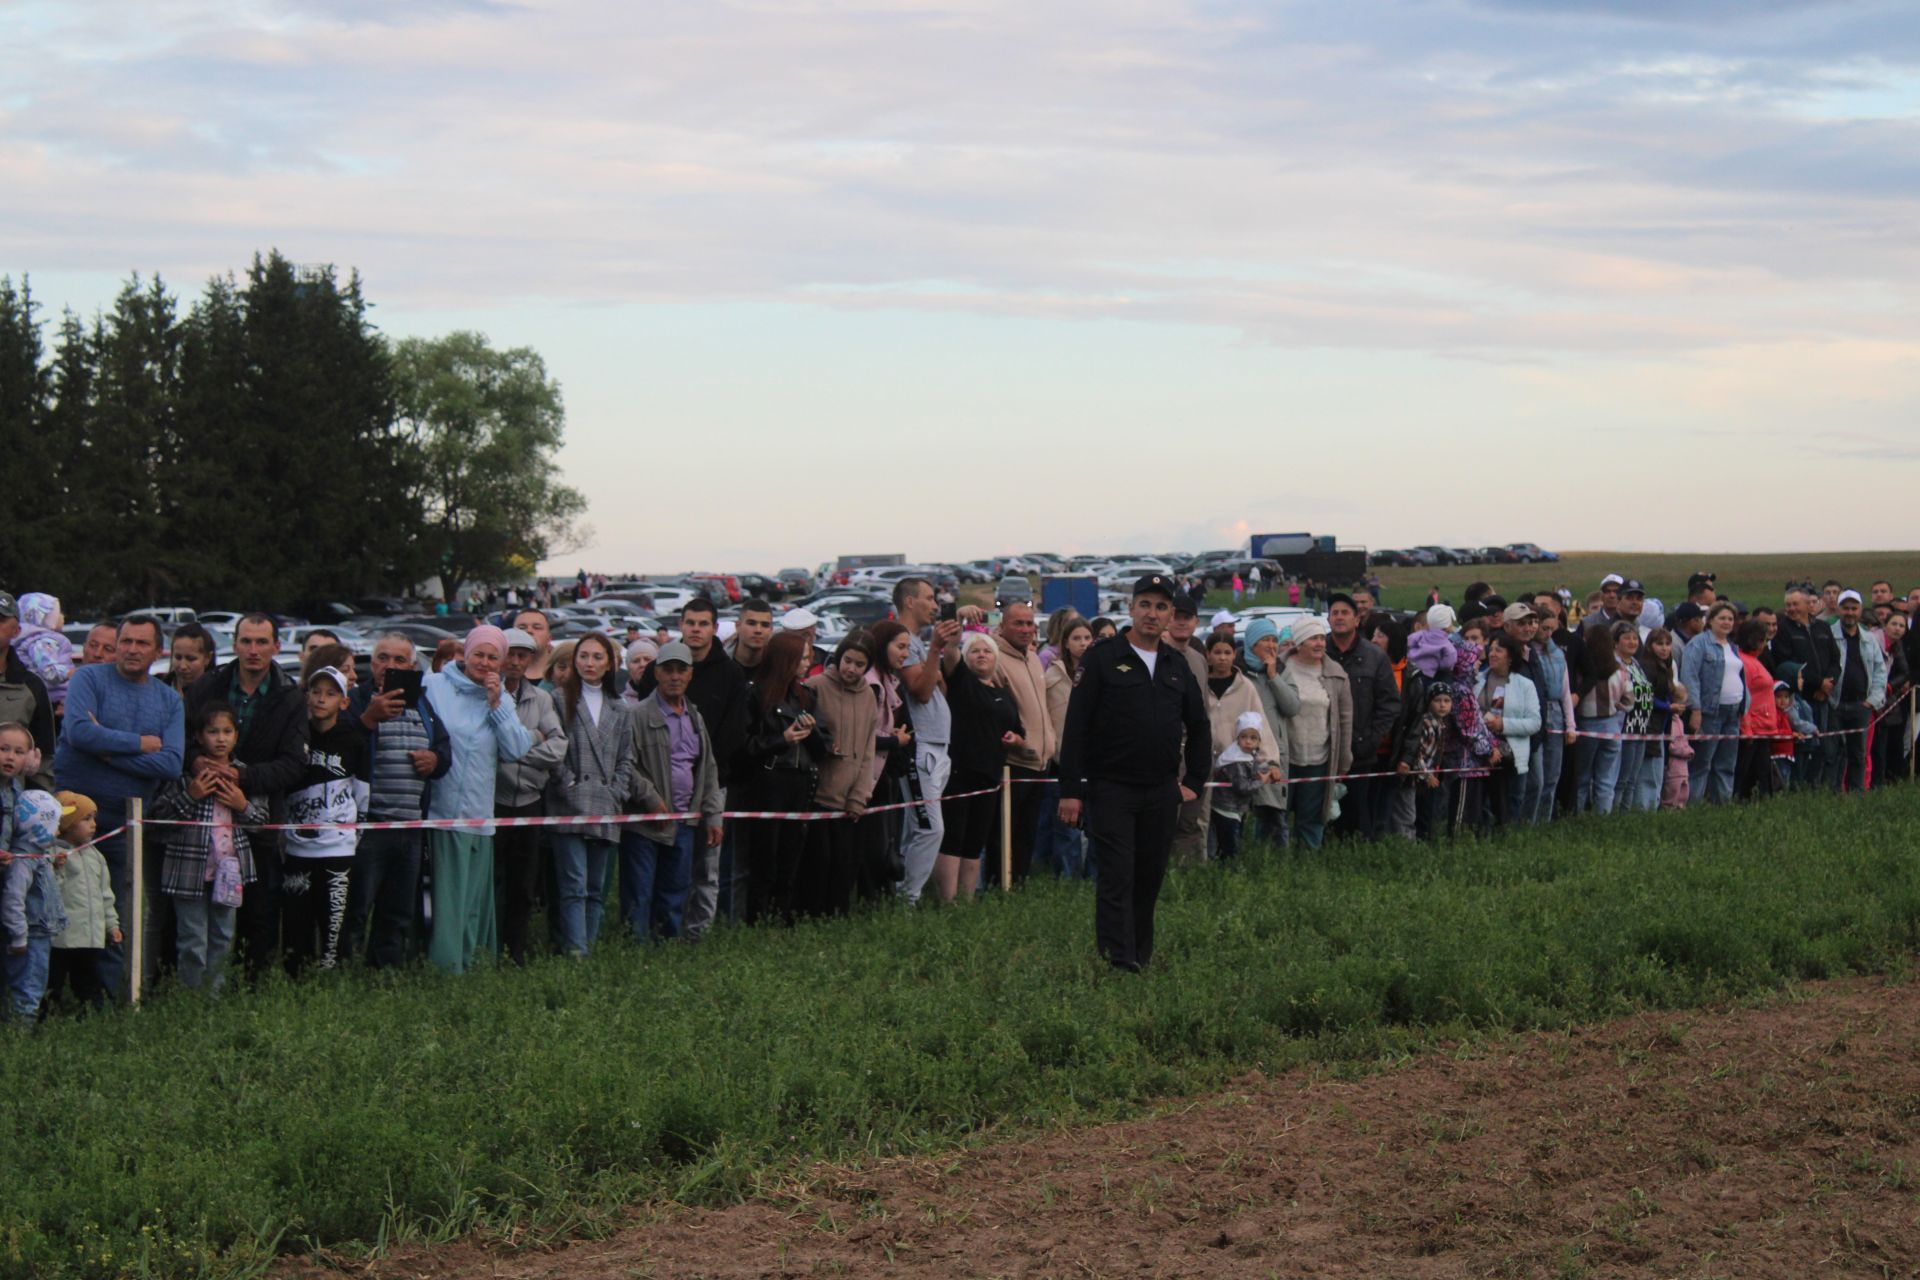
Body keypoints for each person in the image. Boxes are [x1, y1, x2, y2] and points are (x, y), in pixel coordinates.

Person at [1057, 573, 1210, 971]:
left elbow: (1199, 724)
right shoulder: (1103, 657)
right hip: (1112, 789)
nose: (1152, 614)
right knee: (1116, 877)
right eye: (1145, 604)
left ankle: (1141, 956)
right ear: (1130, 608)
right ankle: (1118, 963)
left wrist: (1194, 780)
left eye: (1161, 607)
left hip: (1161, 790)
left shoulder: (1177, 664)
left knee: (1149, 878)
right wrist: (1070, 789)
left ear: (1170, 614)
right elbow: (1076, 726)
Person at [51, 616, 184, 997]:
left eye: (142, 643)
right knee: (61, 905)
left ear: (158, 651)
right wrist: (141, 743)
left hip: (126, 820)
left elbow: (171, 763)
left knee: (115, 911)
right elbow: (78, 732)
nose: (131, 649)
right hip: (69, 819)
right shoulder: (88, 680)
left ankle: (108, 1000)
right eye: (125, 641)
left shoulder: (168, 700)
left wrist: (106, 754)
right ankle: (53, 999)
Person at [184, 614, 307, 978]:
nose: (254, 650)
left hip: (260, 815)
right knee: (197, 914)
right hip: (204, 814)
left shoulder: (290, 695)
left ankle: (252, 984)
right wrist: (198, 763)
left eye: (262, 642)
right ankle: (193, 988)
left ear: (276, 646)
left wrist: (242, 776)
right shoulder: (208, 686)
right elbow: (183, 740)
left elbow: (294, 764)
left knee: (260, 911)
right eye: (247, 641)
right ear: (234, 644)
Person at [420, 626, 534, 973]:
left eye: (492, 657)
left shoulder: (501, 697)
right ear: (465, 654)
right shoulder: (435, 686)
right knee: (445, 898)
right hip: (441, 810)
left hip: (478, 814)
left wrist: (497, 705)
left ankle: (469, 964)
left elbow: (516, 749)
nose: (485, 663)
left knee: (471, 900)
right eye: (479, 655)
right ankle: (443, 967)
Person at [634, 598, 748, 939]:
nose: (696, 629)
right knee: (660, 874)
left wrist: (704, 781)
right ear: (681, 626)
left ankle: (696, 933)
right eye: (690, 622)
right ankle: (649, 936)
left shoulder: (730, 674)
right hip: (658, 795)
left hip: (709, 787)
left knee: (705, 870)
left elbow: (731, 735)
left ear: (714, 628)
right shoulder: (658, 670)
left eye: (703, 623)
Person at [345, 632, 451, 968]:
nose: (389, 666)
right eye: (382, 658)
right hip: (368, 825)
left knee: (398, 909)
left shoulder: (421, 702)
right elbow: (340, 749)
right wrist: (369, 720)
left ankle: (384, 974)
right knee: (357, 906)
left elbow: (445, 750)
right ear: (371, 662)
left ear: (413, 666)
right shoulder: (356, 699)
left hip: (410, 827)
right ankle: (342, 973)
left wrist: (435, 760)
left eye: (399, 660)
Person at [149, 704, 263, 990]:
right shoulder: (183, 776)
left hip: (229, 871)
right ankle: (192, 998)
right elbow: (158, 819)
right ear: (199, 737)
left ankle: (214, 997)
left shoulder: (244, 776)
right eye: (213, 732)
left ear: (236, 736)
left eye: (227, 732)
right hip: (188, 870)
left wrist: (242, 805)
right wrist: (191, 796)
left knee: (223, 936)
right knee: (192, 938)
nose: (220, 739)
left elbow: (262, 823)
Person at [548, 631, 633, 955]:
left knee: (596, 887)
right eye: (583, 656)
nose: (589, 663)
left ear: (611, 663)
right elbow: (552, 750)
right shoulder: (558, 699)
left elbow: (627, 757)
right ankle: (575, 954)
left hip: (606, 805)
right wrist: (568, 783)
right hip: (567, 804)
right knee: (574, 885)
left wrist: (616, 792)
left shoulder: (620, 707)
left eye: (598, 657)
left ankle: (589, 949)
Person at [279, 666, 368, 973]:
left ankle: (332, 981)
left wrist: (353, 835)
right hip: (297, 848)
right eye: (316, 692)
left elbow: (363, 791)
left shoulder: (353, 739)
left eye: (331, 694)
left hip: (338, 849)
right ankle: (295, 981)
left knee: (333, 923)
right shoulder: (295, 735)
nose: (321, 699)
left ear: (344, 702)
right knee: (295, 922)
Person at [735, 632, 826, 924]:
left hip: (800, 783)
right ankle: (757, 919)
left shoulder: (806, 696)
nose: (808, 662)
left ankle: (783, 918)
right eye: (802, 657)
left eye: (809, 656)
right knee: (765, 857)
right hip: (768, 783)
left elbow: (822, 748)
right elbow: (745, 746)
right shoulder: (756, 694)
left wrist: (812, 733)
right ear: (785, 660)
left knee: (791, 855)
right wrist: (781, 739)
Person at [494, 628, 566, 963]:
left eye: (523, 656)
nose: (516, 661)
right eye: (510, 654)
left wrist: (518, 749)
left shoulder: (542, 699)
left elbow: (558, 748)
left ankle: (516, 950)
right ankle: (490, 948)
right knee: (492, 882)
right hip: (492, 802)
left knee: (524, 886)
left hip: (529, 801)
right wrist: (532, 738)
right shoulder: (487, 695)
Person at [938, 632, 1022, 902]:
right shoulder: (961, 681)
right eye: (975, 651)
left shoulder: (1002, 694)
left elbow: (1018, 732)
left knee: (976, 839)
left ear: (995, 659)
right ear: (966, 657)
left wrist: (1016, 739)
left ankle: (966, 899)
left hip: (990, 776)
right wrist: (954, 633)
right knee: (954, 836)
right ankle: (948, 900)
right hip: (960, 773)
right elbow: (950, 654)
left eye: (987, 651)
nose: (982, 655)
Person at [891, 578, 959, 905]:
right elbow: (921, 690)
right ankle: (907, 900)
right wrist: (934, 651)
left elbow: (940, 687)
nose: (935, 606)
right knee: (931, 828)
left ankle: (899, 893)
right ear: (909, 602)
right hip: (920, 746)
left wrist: (935, 657)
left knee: (916, 828)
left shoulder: (918, 641)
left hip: (937, 745)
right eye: (929, 599)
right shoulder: (902, 641)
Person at [802, 634, 879, 915]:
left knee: (844, 864)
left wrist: (860, 795)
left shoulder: (869, 695)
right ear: (838, 658)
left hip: (850, 797)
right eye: (848, 661)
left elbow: (868, 749)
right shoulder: (815, 687)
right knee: (818, 864)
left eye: (860, 664)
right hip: (818, 795)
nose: (851, 669)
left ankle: (837, 920)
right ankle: (810, 919)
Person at [985, 603, 1055, 884]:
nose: (1026, 629)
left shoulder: (1034, 658)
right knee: (1003, 834)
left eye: (1030, 624)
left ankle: (1020, 884)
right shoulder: (995, 659)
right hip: (1013, 764)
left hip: (1039, 762)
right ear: (1002, 626)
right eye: (1019, 623)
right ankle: (997, 886)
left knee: (1027, 832)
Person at [1324, 593, 1399, 841]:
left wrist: (1372, 739)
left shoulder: (1375, 656)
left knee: (1358, 811)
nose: (1339, 617)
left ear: (1357, 619)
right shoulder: (1318, 651)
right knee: (1324, 811)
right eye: (1335, 613)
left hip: (1361, 749)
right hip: (1323, 747)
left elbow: (1389, 703)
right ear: (1328, 618)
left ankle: (1360, 859)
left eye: (1345, 613)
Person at [1275, 617, 1353, 850]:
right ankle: (1270, 860)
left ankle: (1307, 863)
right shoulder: (1279, 669)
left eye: (1321, 638)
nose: (1319, 643)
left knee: (1312, 817)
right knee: (1275, 813)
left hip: (1319, 758)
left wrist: (1343, 759)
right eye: (1312, 638)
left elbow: (1345, 719)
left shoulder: (1336, 673)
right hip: (1285, 758)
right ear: (1299, 643)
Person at [1204, 642, 1279, 859]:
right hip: (1206, 764)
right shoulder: (1200, 683)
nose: (1222, 658)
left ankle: (1229, 861)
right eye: (1217, 652)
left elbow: (1260, 724)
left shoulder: (1245, 686)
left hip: (1236, 766)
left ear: (1234, 655)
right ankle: (1204, 863)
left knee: (1231, 819)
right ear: (1208, 655)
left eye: (1227, 653)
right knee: (1204, 820)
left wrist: (1270, 762)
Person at [46, 791, 118, 1012]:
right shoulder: (53, 854)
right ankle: (45, 1017)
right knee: (53, 983)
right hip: (63, 939)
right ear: (67, 823)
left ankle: (92, 1019)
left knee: (88, 983)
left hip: (90, 938)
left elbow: (105, 894)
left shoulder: (96, 856)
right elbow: (50, 893)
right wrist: (57, 869)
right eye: (86, 819)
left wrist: (112, 924)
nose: (93, 825)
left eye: (94, 818)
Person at [2, 789, 66, 1021]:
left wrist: (55, 867)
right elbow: (13, 900)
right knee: (28, 988)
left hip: (39, 934)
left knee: (35, 985)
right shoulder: (23, 863)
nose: (59, 830)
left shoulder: (40, 857)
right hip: (29, 937)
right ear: (40, 828)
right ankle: (21, 1034)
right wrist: (19, 935)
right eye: (56, 825)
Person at [1768, 586, 1838, 787]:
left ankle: (1814, 786)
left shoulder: (1823, 628)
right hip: (1798, 697)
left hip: (1824, 696)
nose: (1791, 608)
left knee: (1820, 742)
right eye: (1787, 605)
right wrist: (1818, 683)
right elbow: (1785, 662)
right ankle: (1798, 787)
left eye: (1795, 604)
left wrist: (1828, 683)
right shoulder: (1783, 630)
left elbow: (1835, 658)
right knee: (1802, 744)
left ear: (1808, 605)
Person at [1237, 618, 1298, 847]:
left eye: (1275, 640)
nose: (1272, 645)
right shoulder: (1237, 671)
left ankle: (1276, 868)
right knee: (1239, 814)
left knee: (1273, 817)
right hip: (1241, 756)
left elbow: (1293, 707)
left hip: (1272, 756)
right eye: (1266, 640)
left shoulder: (1282, 671)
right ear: (1252, 643)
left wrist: (1273, 677)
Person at [1041, 617, 1093, 876]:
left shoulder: (1100, 673)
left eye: (1087, 638)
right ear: (1065, 643)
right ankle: (1068, 881)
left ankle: (1095, 879)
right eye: (1076, 638)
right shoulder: (1052, 676)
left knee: (1096, 827)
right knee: (1067, 828)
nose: (1083, 644)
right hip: (1063, 761)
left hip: (1096, 762)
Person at [1680, 603, 1745, 805]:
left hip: (1733, 712)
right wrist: (1696, 709)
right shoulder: (1699, 644)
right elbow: (1689, 677)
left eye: (1730, 619)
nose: (1726, 623)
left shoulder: (1733, 646)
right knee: (1702, 763)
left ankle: (1722, 804)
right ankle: (1694, 805)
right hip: (1710, 711)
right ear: (1710, 621)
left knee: (1726, 763)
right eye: (1722, 618)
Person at [1825, 589, 1887, 793]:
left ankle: (1856, 794)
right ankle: (1832, 794)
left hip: (1861, 705)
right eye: (1845, 608)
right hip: (1834, 704)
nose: (1849, 612)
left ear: (1860, 610)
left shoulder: (1870, 639)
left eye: (1854, 608)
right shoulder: (1828, 635)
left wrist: (1873, 700)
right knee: (1832, 753)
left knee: (1858, 754)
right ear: (1839, 609)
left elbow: (1880, 671)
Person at [1476, 634, 1541, 829]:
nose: (1492, 654)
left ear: (1510, 657)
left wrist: (1503, 724)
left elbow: (1534, 722)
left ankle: (1507, 840)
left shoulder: (1525, 685)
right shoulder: (1478, 680)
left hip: (1510, 752)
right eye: (1492, 649)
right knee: (1483, 802)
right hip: (1480, 749)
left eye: (1499, 650)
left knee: (1510, 801)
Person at [1571, 622, 1628, 814]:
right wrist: (1617, 705)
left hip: (1586, 725)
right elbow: (1629, 701)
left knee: (1582, 776)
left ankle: (1578, 814)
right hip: (1611, 726)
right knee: (1606, 778)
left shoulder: (1582, 672)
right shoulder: (1620, 671)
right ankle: (1603, 816)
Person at [0, 593, 56, 788]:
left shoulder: (31, 687)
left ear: (17, 630)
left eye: (1, 619)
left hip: (10, 803)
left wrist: (40, 802)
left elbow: (45, 758)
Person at [1211, 712, 1281, 859]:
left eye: (1253, 738)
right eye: (1244, 737)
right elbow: (1243, 787)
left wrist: (1267, 771)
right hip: (1227, 808)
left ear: (1259, 740)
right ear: (1238, 738)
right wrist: (1261, 781)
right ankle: (1228, 874)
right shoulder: (1235, 761)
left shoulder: (1247, 755)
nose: (1248, 741)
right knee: (1230, 847)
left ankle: (1226, 869)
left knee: (1233, 842)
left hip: (1236, 808)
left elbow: (1254, 769)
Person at [1394, 682, 1454, 839]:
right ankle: (1409, 844)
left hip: (1426, 777)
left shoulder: (1441, 725)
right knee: (1410, 814)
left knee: (1426, 812)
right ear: (1429, 702)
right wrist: (1427, 775)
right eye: (1438, 700)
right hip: (1416, 776)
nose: (1442, 705)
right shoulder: (1425, 723)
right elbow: (1417, 753)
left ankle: (1424, 841)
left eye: (1447, 701)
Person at [1734, 620, 1783, 800]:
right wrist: (1746, 728)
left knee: (1762, 771)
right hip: (1753, 727)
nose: (1763, 645)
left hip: (1763, 726)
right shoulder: (1745, 662)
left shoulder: (1755, 660)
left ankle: (1761, 801)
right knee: (1745, 770)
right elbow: (1743, 696)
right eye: (1761, 640)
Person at [1611, 623, 1653, 812]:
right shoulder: (1615, 663)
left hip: (1641, 726)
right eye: (1627, 638)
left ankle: (1625, 814)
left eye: (1635, 638)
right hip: (1625, 725)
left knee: (1632, 778)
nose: (1632, 642)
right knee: (1622, 776)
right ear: (1616, 642)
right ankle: (1615, 812)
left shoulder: (1635, 663)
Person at [11, 593, 73, 714]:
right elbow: (49, 671)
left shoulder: (29, 638)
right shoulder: (41, 641)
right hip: (51, 700)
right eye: (58, 613)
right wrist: (71, 673)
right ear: (43, 616)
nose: (62, 616)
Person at [166, 622, 216, 693]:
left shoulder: (219, 693)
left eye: (191, 659)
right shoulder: (158, 690)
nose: (183, 666)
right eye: (178, 657)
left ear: (208, 658)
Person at [512, 608, 556, 683]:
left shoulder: (564, 673)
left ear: (549, 638)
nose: (529, 631)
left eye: (537, 627)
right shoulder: (500, 676)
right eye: (522, 628)